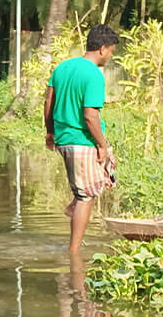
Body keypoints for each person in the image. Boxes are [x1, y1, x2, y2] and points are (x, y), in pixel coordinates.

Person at [45, 24, 119, 253]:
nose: (110, 56)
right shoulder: (94, 75)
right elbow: (90, 116)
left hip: (66, 139)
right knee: (86, 195)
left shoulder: (62, 68)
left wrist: (50, 132)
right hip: (82, 141)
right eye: (111, 51)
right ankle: (74, 252)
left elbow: (48, 103)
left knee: (110, 169)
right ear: (103, 49)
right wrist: (101, 144)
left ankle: (74, 206)